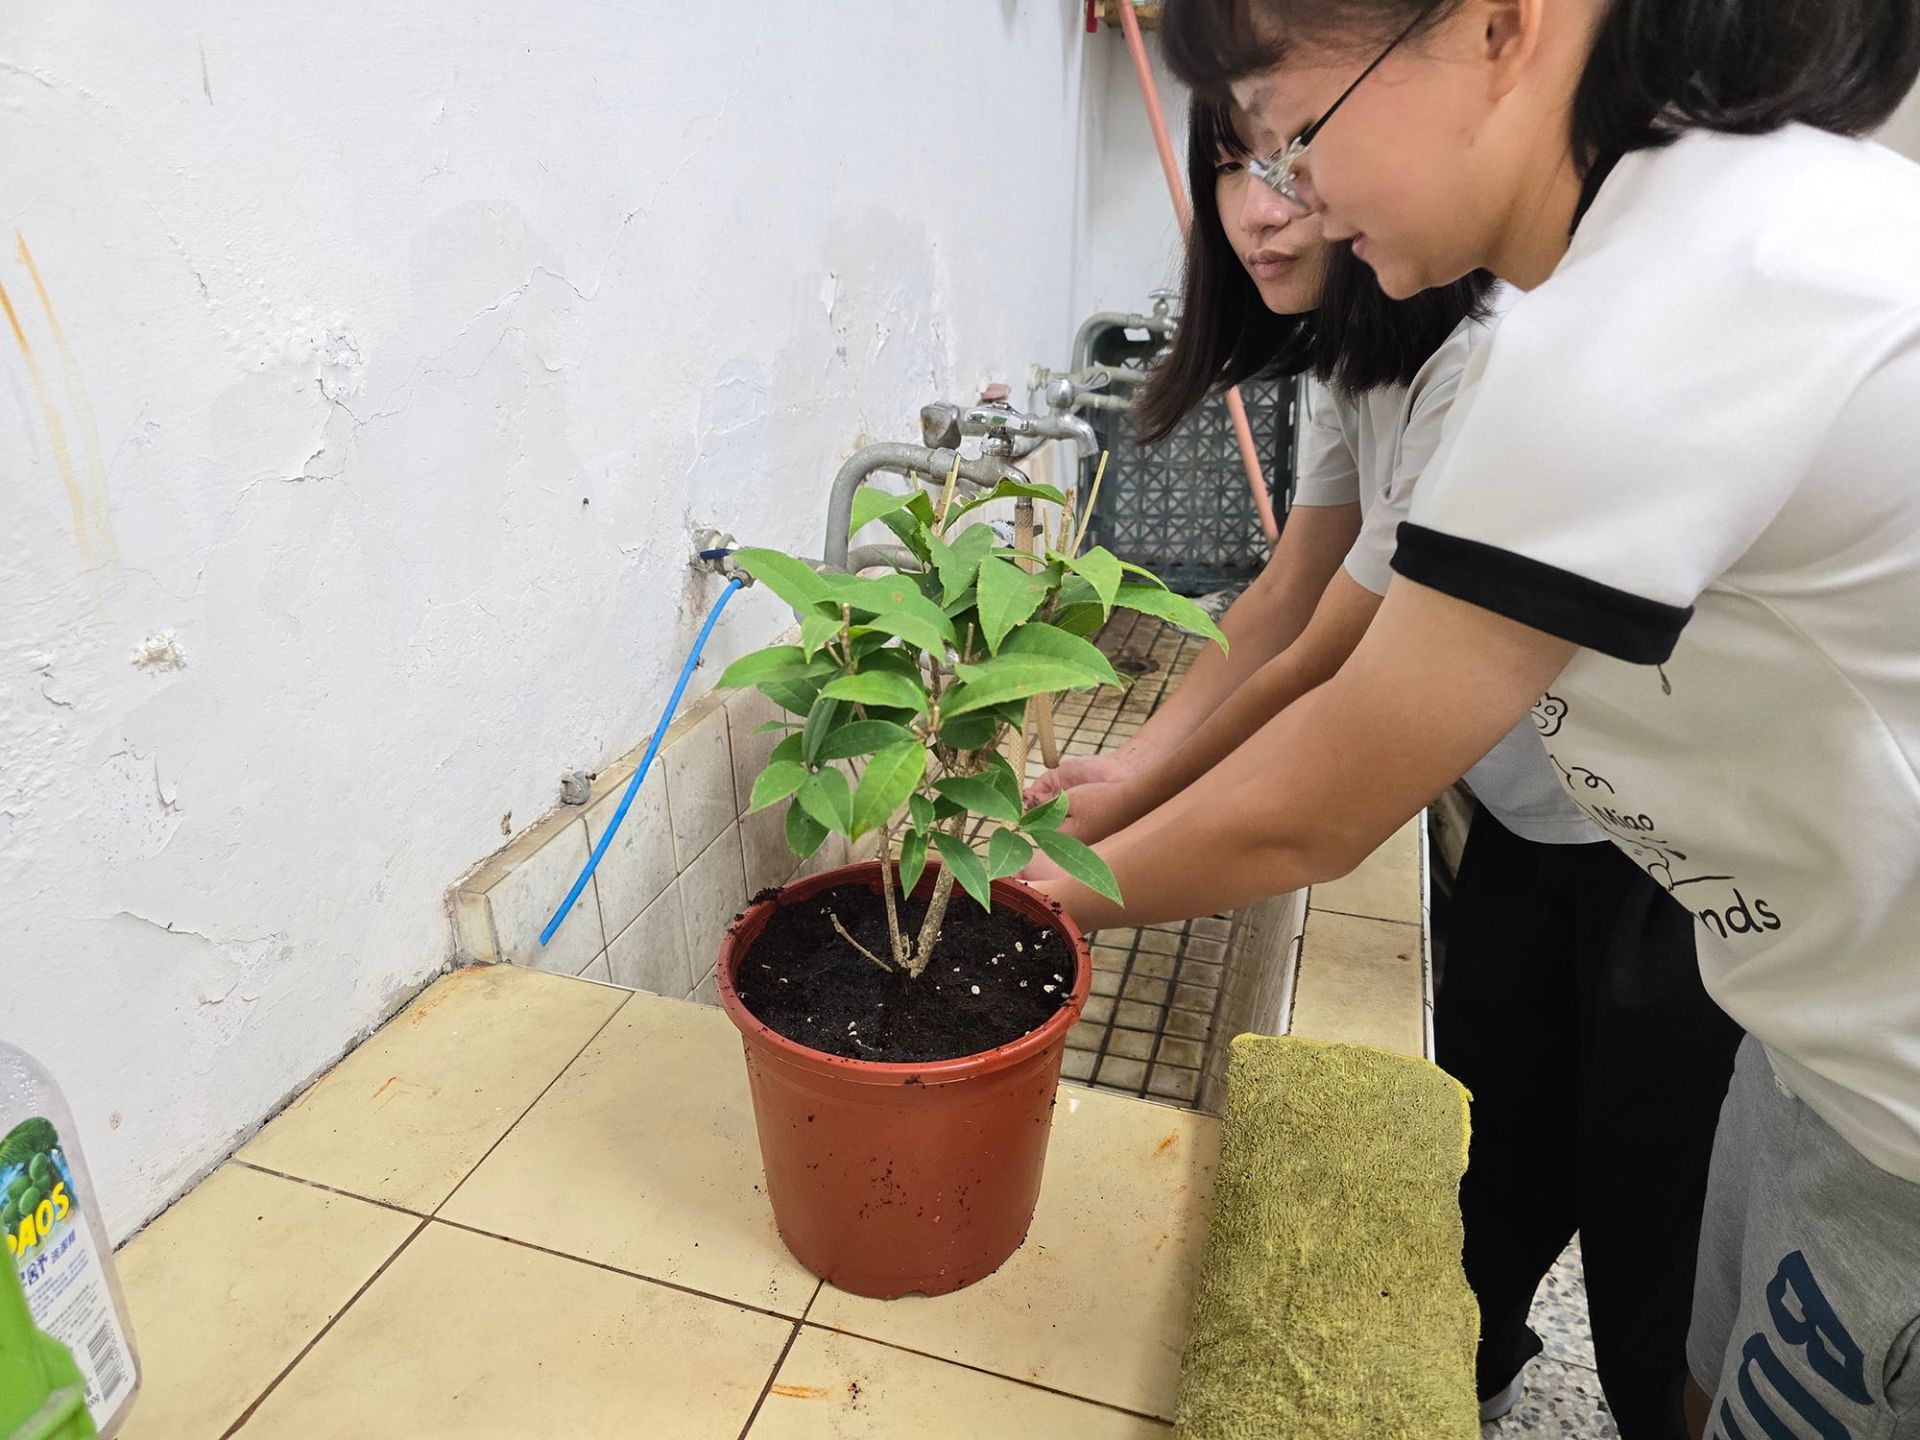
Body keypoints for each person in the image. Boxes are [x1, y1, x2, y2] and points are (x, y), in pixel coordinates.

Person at [1033, 2, 1920, 1436]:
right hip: (1814, 1022)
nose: (1293, 199)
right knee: (1690, 1327)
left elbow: (1315, 798)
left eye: (1296, 132)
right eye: (1250, 155)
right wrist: (1129, 791)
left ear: (1505, 26)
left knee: (1650, 1250)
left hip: (1899, 1087)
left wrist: (1016, 899)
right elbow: (1295, 616)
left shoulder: (1661, 309)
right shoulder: (1698, 235)